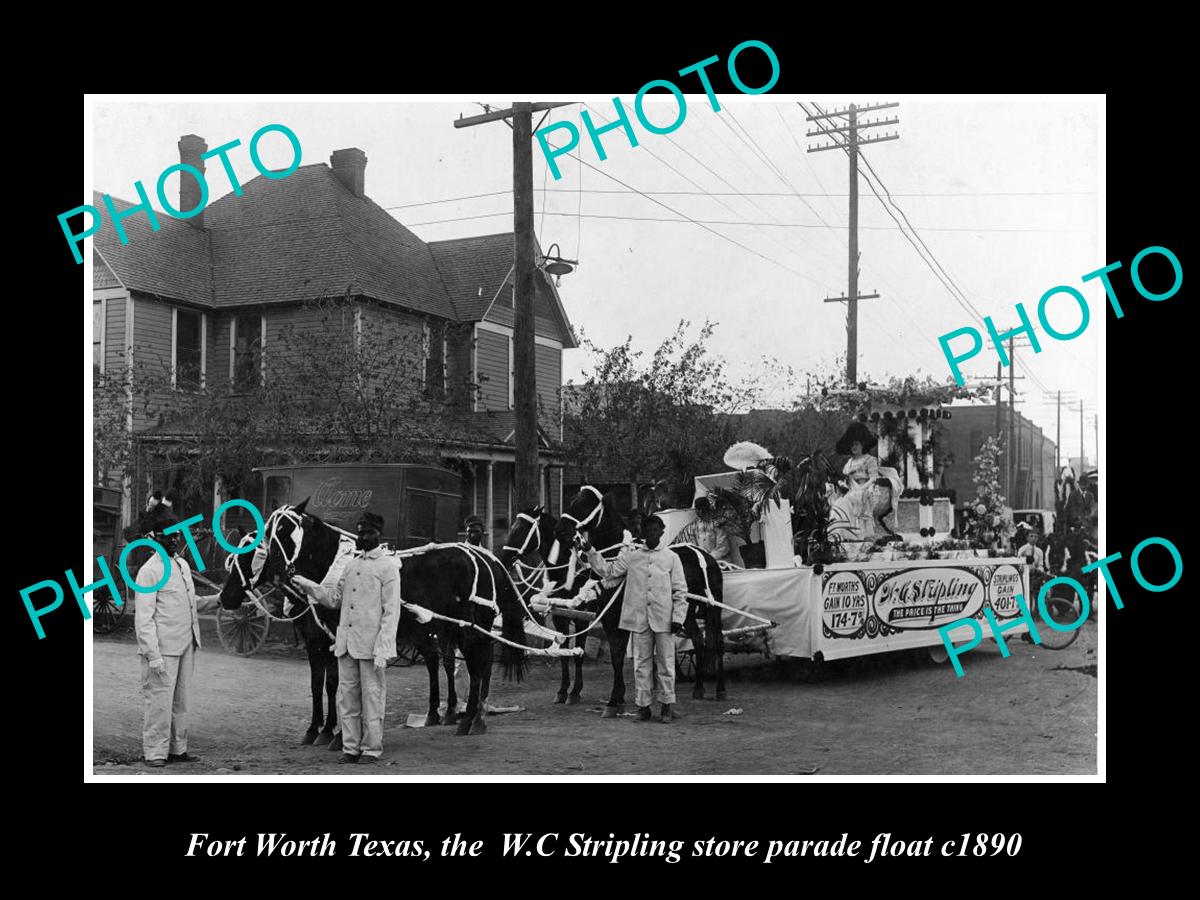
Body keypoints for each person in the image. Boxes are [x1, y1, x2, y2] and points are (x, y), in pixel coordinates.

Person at [292, 511, 401, 764]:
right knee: (347, 699)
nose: (362, 536)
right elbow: (334, 600)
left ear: (378, 535)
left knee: (372, 698)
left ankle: (372, 748)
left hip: (371, 646)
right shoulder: (351, 565)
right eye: (360, 532)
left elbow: (391, 611)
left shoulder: (388, 567)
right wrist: (308, 585)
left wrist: (383, 649)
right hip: (346, 644)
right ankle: (351, 748)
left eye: (368, 532)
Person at [134, 515, 220, 768]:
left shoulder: (181, 565)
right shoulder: (149, 571)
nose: (173, 541)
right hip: (163, 649)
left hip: (186, 644)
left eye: (176, 536)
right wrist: (154, 655)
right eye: (167, 536)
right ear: (154, 539)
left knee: (181, 701)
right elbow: (144, 618)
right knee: (159, 701)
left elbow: (189, 603)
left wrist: (219, 599)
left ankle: (178, 749)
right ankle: (154, 752)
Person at [586, 514, 688, 723]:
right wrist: (590, 551)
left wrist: (678, 617)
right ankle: (644, 707)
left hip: (664, 619)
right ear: (642, 534)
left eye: (655, 531)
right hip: (639, 619)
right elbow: (608, 571)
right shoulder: (632, 556)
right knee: (641, 663)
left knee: (666, 663)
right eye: (647, 531)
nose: (651, 535)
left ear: (661, 533)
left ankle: (667, 706)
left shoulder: (671, 558)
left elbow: (680, 591)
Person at [691, 496, 731, 561]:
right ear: (696, 510)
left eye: (703, 508)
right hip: (703, 564)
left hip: (720, 564)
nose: (701, 511)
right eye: (698, 509)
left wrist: (709, 559)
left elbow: (723, 547)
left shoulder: (717, 524)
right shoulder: (694, 527)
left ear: (708, 508)